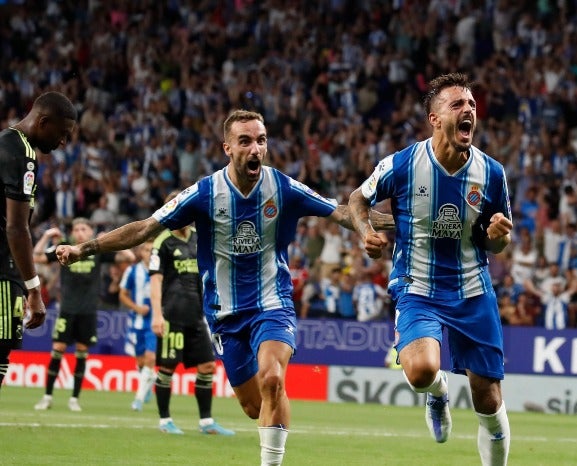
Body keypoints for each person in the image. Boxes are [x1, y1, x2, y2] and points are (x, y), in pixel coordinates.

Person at [56, 109, 393, 466]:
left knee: (273, 377)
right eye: (245, 141)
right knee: (254, 406)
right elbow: (145, 228)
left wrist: (393, 224)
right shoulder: (203, 193)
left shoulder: (282, 187)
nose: (255, 148)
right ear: (227, 148)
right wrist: (86, 247)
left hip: (272, 303)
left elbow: (340, 212)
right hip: (225, 314)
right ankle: (271, 420)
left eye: (261, 140)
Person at [348, 73, 512, 465]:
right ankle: (437, 393)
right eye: (457, 105)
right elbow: (357, 198)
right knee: (421, 371)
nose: (468, 110)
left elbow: (499, 243)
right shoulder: (402, 165)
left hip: (473, 289)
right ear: (435, 119)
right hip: (417, 285)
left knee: (488, 400)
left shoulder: (492, 173)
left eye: (471, 105)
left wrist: (498, 235)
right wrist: (365, 231)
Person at [0, 91, 77, 391]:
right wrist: (34, 290)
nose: (62, 142)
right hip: (2, 273)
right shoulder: (23, 154)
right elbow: (16, 228)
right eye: (62, 133)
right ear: (43, 122)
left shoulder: (3, 141)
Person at [149, 193, 233, 435]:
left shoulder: (199, 238)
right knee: (167, 368)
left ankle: (206, 422)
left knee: (208, 366)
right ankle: (165, 420)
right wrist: (157, 315)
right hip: (172, 315)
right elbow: (156, 281)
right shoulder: (162, 242)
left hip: (198, 315)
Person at [33, 219, 134, 411]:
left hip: (88, 311)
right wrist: (46, 236)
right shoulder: (65, 250)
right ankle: (47, 396)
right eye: (76, 229)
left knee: (82, 353)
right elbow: (37, 257)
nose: (79, 232)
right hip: (67, 309)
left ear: (91, 232)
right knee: (58, 349)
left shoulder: (97, 252)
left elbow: (128, 256)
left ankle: (74, 399)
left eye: (83, 229)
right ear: (71, 233)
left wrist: (107, 239)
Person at [120, 240, 157, 411]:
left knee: (151, 358)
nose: (149, 253)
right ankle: (147, 382)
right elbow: (123, 295)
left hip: (155, 322)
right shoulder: (132, 271)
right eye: (146, 250)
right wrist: (136, 307)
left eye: (151, 250)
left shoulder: (161, 270)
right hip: (137, 321)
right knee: (141, 361)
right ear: (141, 252)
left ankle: (138, 399)